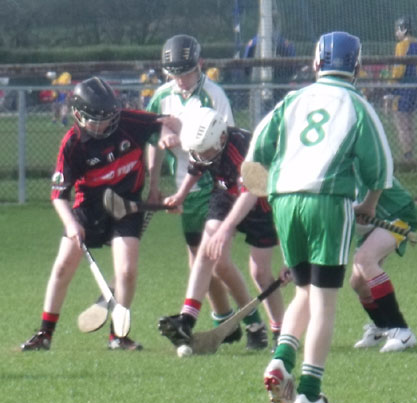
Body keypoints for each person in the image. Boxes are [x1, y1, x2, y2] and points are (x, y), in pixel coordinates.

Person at [245, 31, 394, 403]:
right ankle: (310, 394)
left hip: (284, 199)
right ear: (357, 67)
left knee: (303, 293)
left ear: (315, 64)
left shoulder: (291, 100)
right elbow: (380, 167)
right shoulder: (357, 105)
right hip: (327, 201)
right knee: (325, 302)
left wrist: (269, 197)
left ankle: (281, 359)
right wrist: (368, 205)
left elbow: (256, 153)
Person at [20, 76, 177, 351]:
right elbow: (59, 195)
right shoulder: (73, 143)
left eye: (109, 116)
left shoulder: (128, 121)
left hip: (127, 207)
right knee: (63, 265)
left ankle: (118, 335)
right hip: (88, 208)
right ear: (79, 115)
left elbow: (168, 122)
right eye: (98, 118)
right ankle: (44, 333)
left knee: (127, 272)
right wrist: (71, 225)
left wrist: (166, 137)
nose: (106, 123)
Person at [146, 34, 263, 347]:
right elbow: (153, 142)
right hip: (186, 183)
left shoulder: (213, 94)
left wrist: (179, 131)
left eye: (186, 72)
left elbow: (220, 139)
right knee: (199, 262)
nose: (181, 80)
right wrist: (155, 185)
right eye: (175, 74)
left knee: (217, 261)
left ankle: (252, 324)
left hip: (213, 185)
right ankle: (226, 321)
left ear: (200, 65)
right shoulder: (161, 96)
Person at [158, 107, 285, 351]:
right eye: (198, 151)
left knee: (260, 273)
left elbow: (251, 193)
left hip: (261, 203)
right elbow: (196, 166)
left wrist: (226, 230)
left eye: (206, 150)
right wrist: (181, 195)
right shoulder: (204, 143)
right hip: (226, 193)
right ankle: (187, 319)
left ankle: (281, 332)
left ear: (222, 139)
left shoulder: (249, 149)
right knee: (208, 252)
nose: (201, 155)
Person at [351, 174, 417, 352]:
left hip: (397, 213)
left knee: (364, 260)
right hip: (370, 223)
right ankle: (381, 327)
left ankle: (402, 330)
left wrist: (367, 206)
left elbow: (379, 173)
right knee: (358, 283)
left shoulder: (361, 148)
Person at [389, 16, 417, 161]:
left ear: (403, 29)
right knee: (410, 123)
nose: (396, 32)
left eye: (397, 29)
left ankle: (406, 155)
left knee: (401, 123)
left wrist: (391, 86)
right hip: (414, 86)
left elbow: (398, 69)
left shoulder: (402, 45)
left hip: (402, 88)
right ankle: (410, 153)